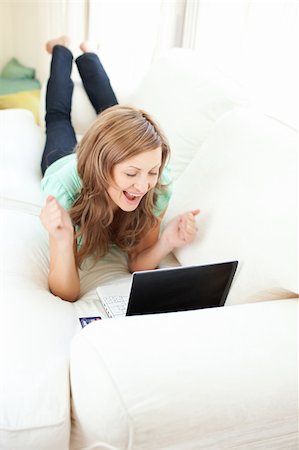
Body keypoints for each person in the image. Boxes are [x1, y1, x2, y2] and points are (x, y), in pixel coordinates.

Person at [40, 36, 200, 302]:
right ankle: (61, 49)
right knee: (58, 118)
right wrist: (61, 238)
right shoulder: (64, 189)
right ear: (104, 167)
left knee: (116, 113)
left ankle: (89, 53)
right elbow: (66, 293)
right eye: (131, 174)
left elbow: (138, 263)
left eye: (151, 171)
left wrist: (167, 242)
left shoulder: (157, 186)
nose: (142, 186)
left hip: (107, 153)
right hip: (64, 164)